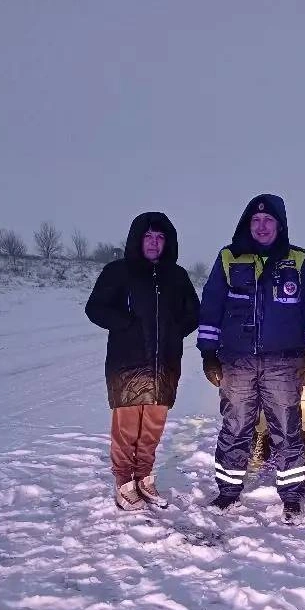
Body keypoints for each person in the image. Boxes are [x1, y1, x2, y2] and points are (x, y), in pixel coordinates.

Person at [197, 194, 305, 524]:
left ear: (280, 225)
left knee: (287, 429)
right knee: (235, 426)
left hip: (284, 362)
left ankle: (292, 496)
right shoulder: (229, 257)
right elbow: (211, 307)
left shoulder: (299, 260)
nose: (261, 226)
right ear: (247, 224)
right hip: (237, 361)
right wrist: (208, 353)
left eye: (268, 220)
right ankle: (228, 491)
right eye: (255, 220)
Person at [85, 212, 200, 511]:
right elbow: (95, 308)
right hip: (127, 364)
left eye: (160, 237)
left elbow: (193, 312)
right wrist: (125, 323)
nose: (153, 242)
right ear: (138, 239)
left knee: (152, 427)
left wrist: (174, 330)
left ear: (168, 242)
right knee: (126, 429)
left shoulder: (177, 276)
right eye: (148, 236)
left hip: (165, 365)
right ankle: (124, 481)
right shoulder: (118, 272)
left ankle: (144, 477)